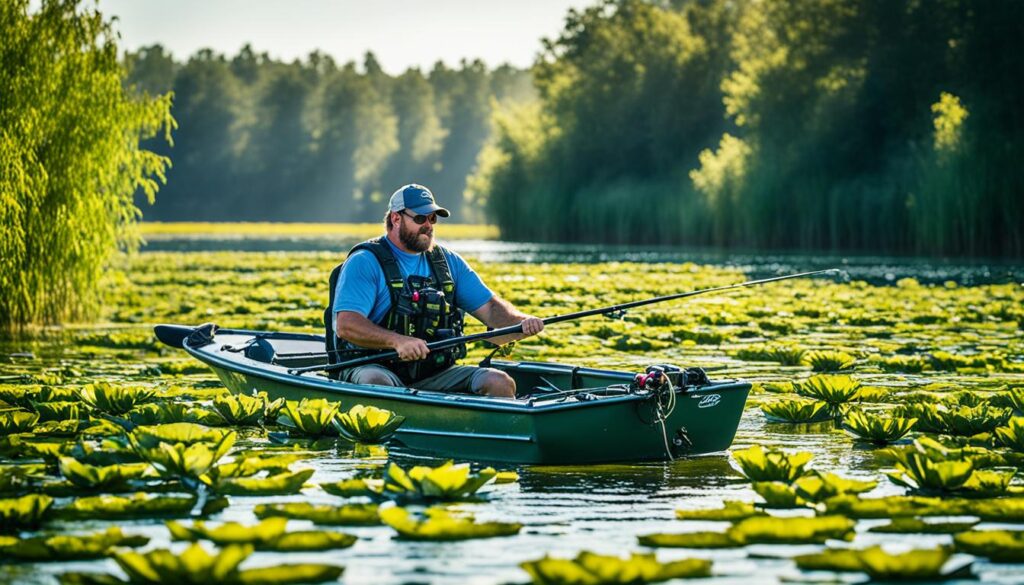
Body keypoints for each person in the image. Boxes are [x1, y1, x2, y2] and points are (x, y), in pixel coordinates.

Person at [326, 183, 544, 398]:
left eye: (433, 218)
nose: (428, 225)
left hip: (435, 373)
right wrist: (397, 341)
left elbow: (490, 309)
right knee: (377, 382)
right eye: (420, 218)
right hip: (373, 368)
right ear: (395, 218)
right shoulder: (364, 261)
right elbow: (347, 325)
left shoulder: (449, 263)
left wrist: (521, 322)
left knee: (499, 382)